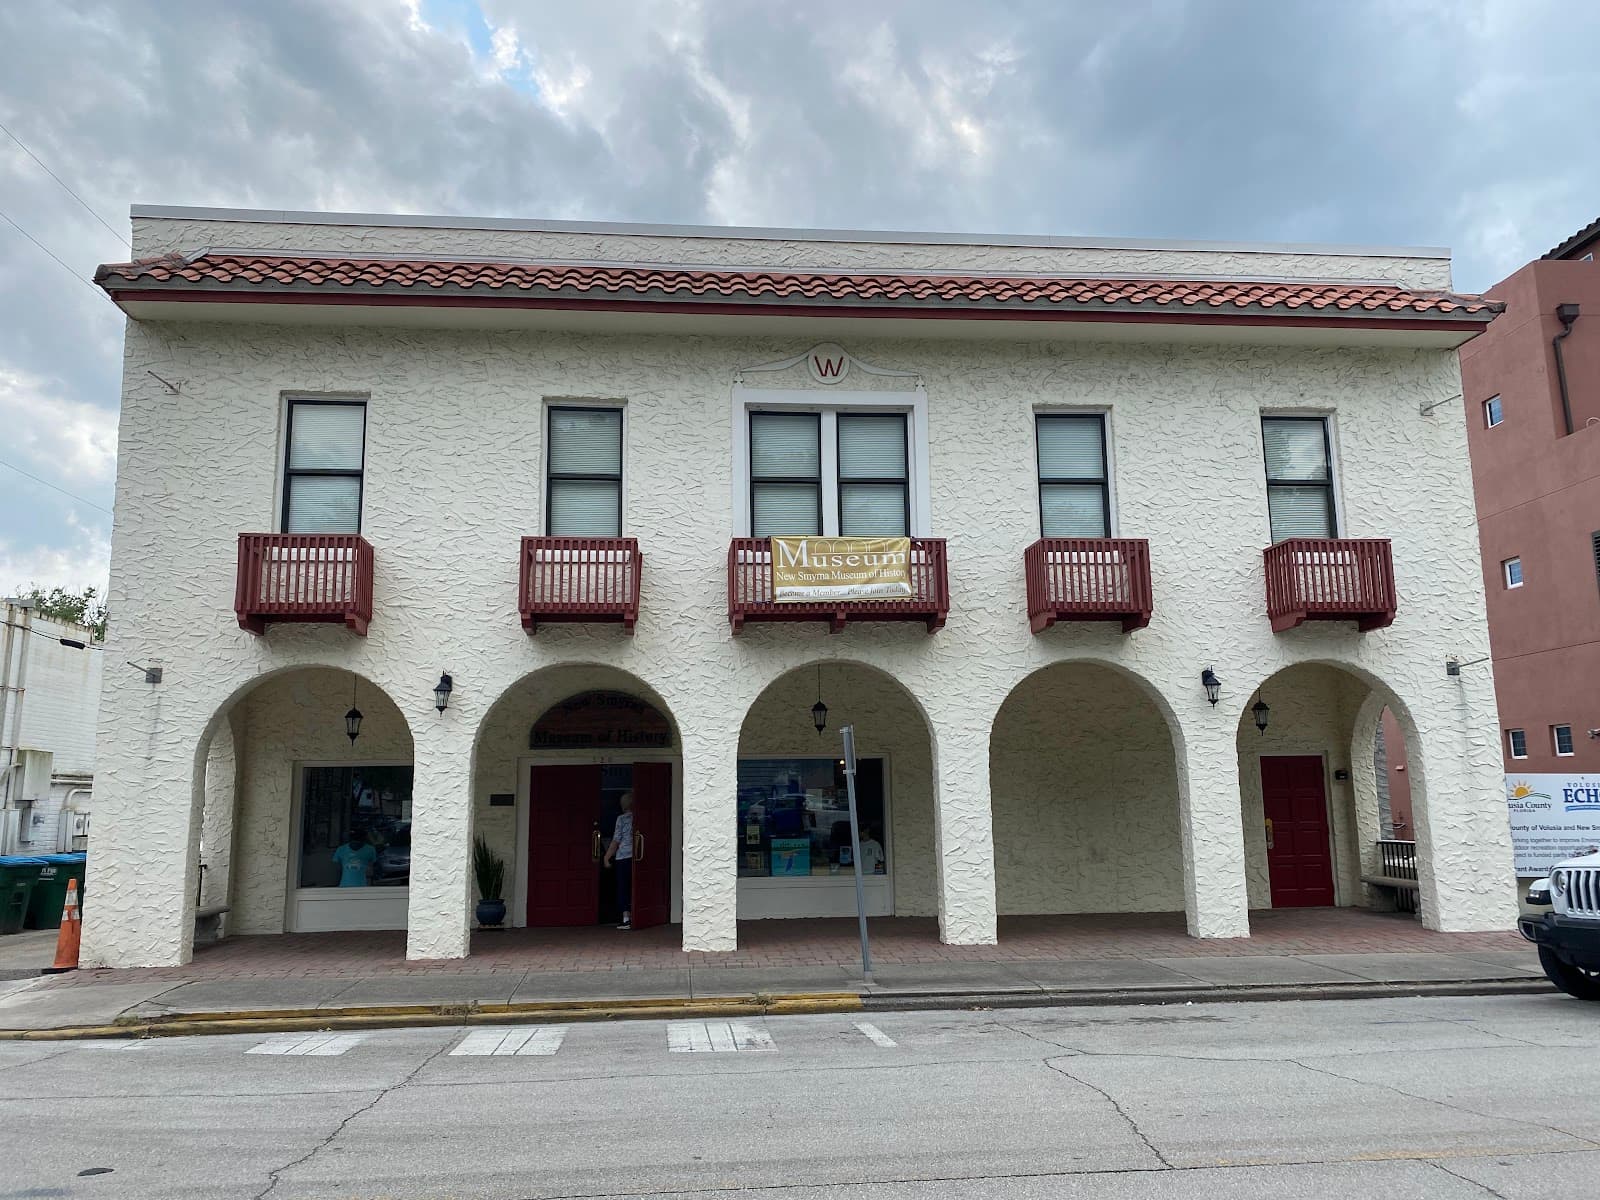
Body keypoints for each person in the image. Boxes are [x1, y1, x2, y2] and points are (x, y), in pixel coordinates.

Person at [602, 791, 635, 930]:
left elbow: (616, 840)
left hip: (623, 857)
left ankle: (626, 918)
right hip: (637, 856)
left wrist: (606, 856)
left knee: (623, 887)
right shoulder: (639, 818)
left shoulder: (621, 819)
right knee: (635, 886)